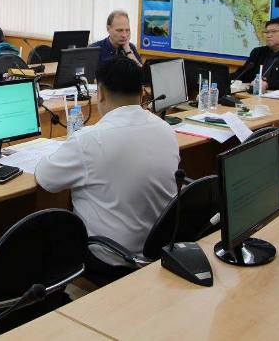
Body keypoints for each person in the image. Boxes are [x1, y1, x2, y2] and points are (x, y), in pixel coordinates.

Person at [35, 57, 179, 272]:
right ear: (142, 93)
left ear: (100, 93)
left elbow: (46, 179)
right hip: (160, 249)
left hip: (112, 256)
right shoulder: (165, 129)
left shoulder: (89, 140)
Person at [235, 17, 279, 91]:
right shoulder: (258, 52)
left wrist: (267, 84)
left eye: (273, 31)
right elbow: (241, 75)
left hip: (278, 96)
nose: (268, 35)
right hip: (251, 94)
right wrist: (228, 78)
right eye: (267, 32)